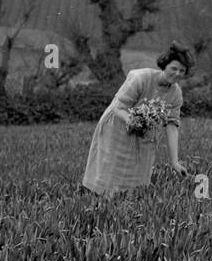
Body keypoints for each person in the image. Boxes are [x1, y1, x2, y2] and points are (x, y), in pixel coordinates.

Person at [82, 42, 193, 195]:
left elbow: (172, 126)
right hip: (117, 127)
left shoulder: (176, 94)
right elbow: (118, 107)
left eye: (182, 71)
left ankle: (127, 206)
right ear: (164, 66)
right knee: (110, 171)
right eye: (173, 68)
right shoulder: (141, 78)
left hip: (143, 133)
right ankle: (101, 204)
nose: (177, 74)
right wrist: (133, 121)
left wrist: (174, 161)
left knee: (138, 175)